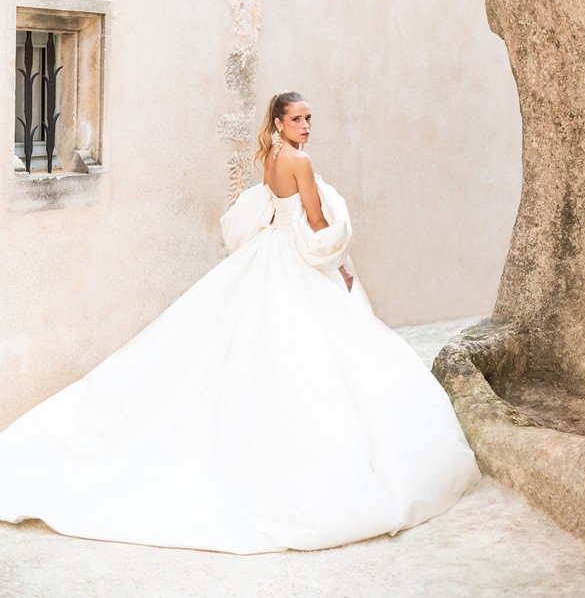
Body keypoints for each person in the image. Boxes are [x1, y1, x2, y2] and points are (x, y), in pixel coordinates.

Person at [0, 91, 480, 554]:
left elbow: (274, 209)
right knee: (314, 359)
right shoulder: (299, 162)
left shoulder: (270, 159)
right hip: (292, 259)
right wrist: (341, 260)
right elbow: (314, 220)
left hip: (268, 253)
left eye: (310, 119)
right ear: (278, 123)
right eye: (297, 120)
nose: (307, 127)